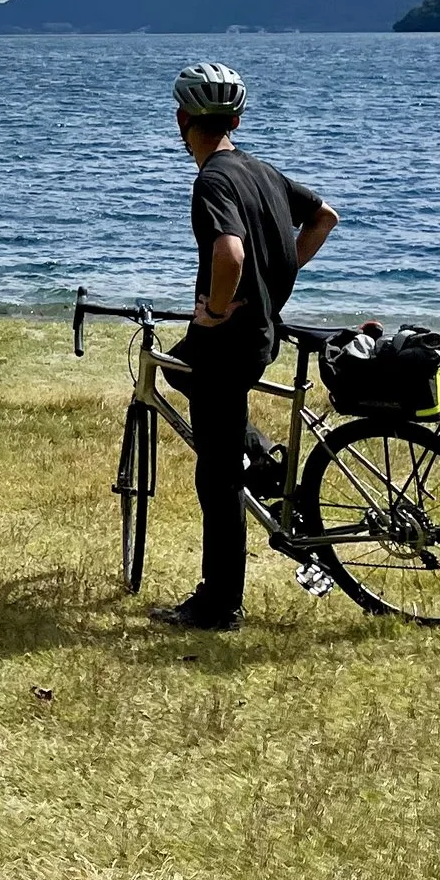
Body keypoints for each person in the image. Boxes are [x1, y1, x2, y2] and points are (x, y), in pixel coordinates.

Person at [151, 62, 339, 632]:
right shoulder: (260, 170)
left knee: (216, 474)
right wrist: (278, 273)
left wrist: (212, 308)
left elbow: (228, 253)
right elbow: (323, 216)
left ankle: (219, 604)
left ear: (183, 119)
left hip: (230, 341)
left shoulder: (212, 180)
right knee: (180, 371)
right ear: (236, 118)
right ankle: (262, 457)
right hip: (261, 334)